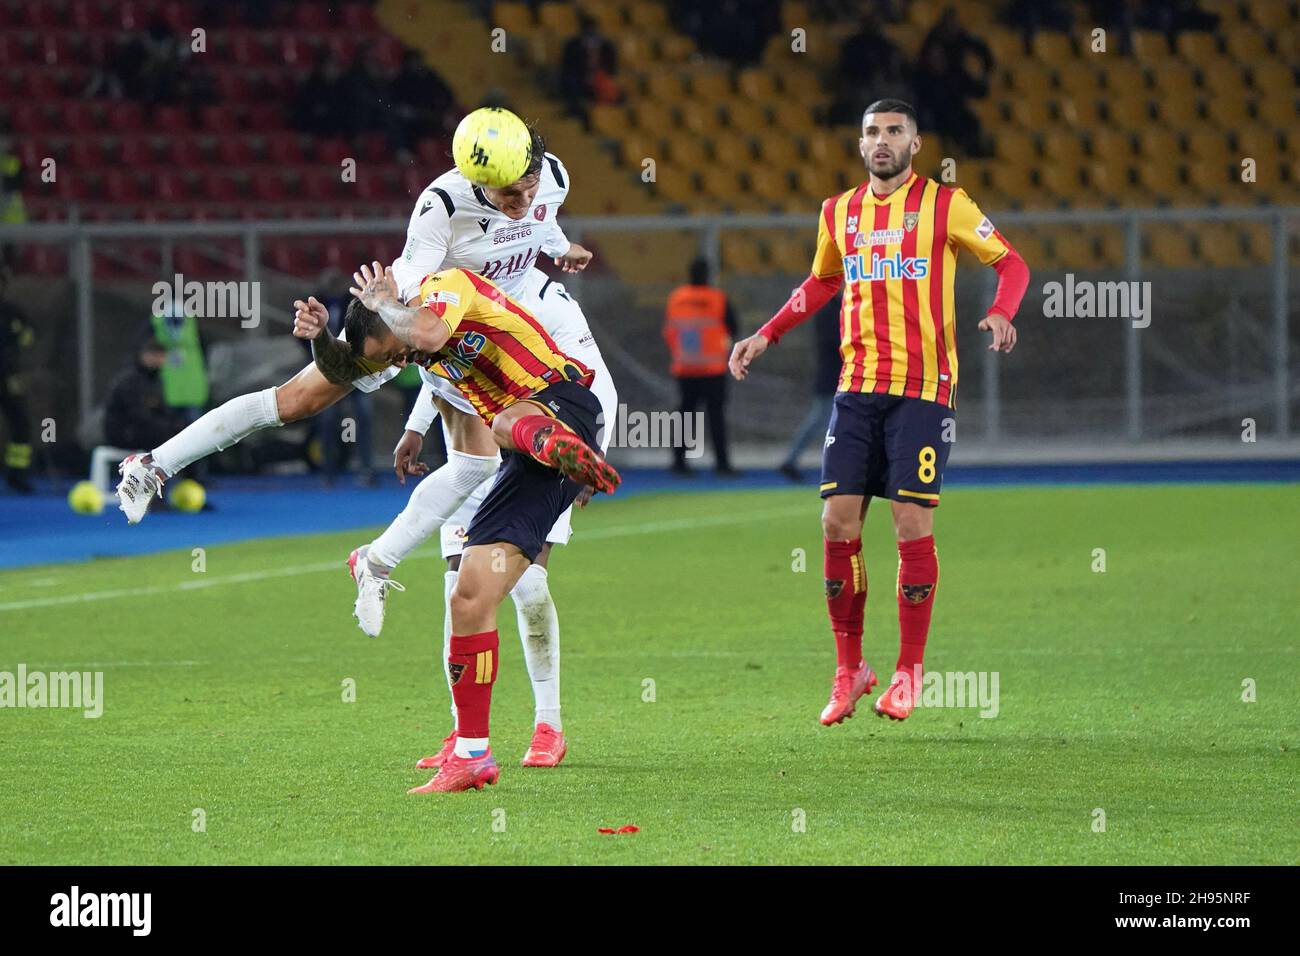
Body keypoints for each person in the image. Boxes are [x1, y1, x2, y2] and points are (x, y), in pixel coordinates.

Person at [115, 117, 613, 771]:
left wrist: (562, 245)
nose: (521, 200)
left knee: (522, 568)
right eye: (505, 195)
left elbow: (540, 229)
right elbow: (418, 303)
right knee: (302, 404)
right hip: (440, 330)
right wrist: (354, 344)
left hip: (521, 342)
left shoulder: (551, 177)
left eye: (525, 188)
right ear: (475, 180)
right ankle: (156, 464)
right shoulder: (441, 206)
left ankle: (541, 719)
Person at [729, 98, 1029, 724]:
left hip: (923, 389)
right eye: (872, 132)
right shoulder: (838, 212)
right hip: (856, 388)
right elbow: (822, 281)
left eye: (894, 131)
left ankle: (908, 672)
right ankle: (850, 670)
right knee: (837, 525)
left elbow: (1011, 263)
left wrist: (1002, 310)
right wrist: (767, 333)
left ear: (916, 144)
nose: (882, 141)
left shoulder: (948, 204)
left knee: (911, 528)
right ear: (860, 143)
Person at [327, 262, 619, 793]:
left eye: (393, 351)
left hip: (564, 406)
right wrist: (321, 340)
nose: (400, 361)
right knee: (468, 596)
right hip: (530, 461)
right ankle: (471, 755)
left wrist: (386, 304)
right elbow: (367, 371)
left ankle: (548, 720)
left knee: (505, 424)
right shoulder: (434, 367)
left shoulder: (447, 286)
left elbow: (429, 329)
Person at [663, 258, 738, 476]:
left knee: (685, 416)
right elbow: (733, 328)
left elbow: (669, 330)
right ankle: (722, 464)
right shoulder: (718, 299)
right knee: (716, 417)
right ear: (708, 275)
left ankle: (679, 462)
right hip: (713, 369)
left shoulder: (676, 299)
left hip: (685, 368)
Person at [776, 296, 841, 482]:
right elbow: (834, 341)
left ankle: (793, 460)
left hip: (832, 375)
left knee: (822, 422)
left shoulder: (830, 309)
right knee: (822, 422)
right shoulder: (832, 311)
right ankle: (791, 461)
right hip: (832, 376)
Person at [103, 337, 195, 454]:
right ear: (145, 355)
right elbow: (136, 414)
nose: (160, 360)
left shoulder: (155, 379)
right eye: (156, 355)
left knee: (186, 433)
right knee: (167, 437)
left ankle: (191, 472)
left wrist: (177, 423)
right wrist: (166, 426)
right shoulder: (129, 379)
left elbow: (161, 409)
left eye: (162, 356)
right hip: (125, 432)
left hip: (144, 428)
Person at [0, 264, 34, 492]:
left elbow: (27, 339)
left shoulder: (12, 313)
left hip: (8, 379)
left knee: (21, 425)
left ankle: (17, 475)